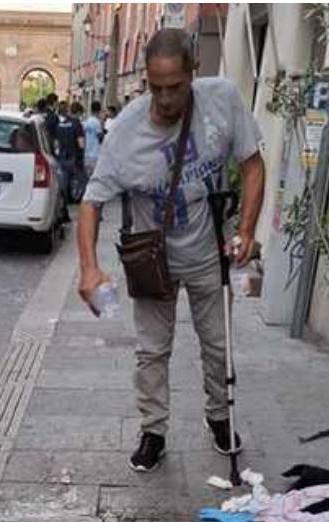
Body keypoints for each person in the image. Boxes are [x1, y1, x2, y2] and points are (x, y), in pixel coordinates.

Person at [77, 29, 265, 473]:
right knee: (151, 351)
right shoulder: (126, 131)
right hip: (152, 260)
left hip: (207, 254)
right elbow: (91, 202)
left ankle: (220, 417)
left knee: (218, 345)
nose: (164, 98)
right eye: (156, 86)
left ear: (193, 72)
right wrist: (88, 268)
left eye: (175, 86)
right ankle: (153, 430)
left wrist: (248, 229)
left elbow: (253, 164)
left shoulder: (222, 100)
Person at [83, 101, 104, 179]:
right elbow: (100, 137)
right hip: (95, 155)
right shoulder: (96, 122)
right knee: (95, 178)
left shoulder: (87, 121)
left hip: (86, 154)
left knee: (88, 178)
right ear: (99, 110)